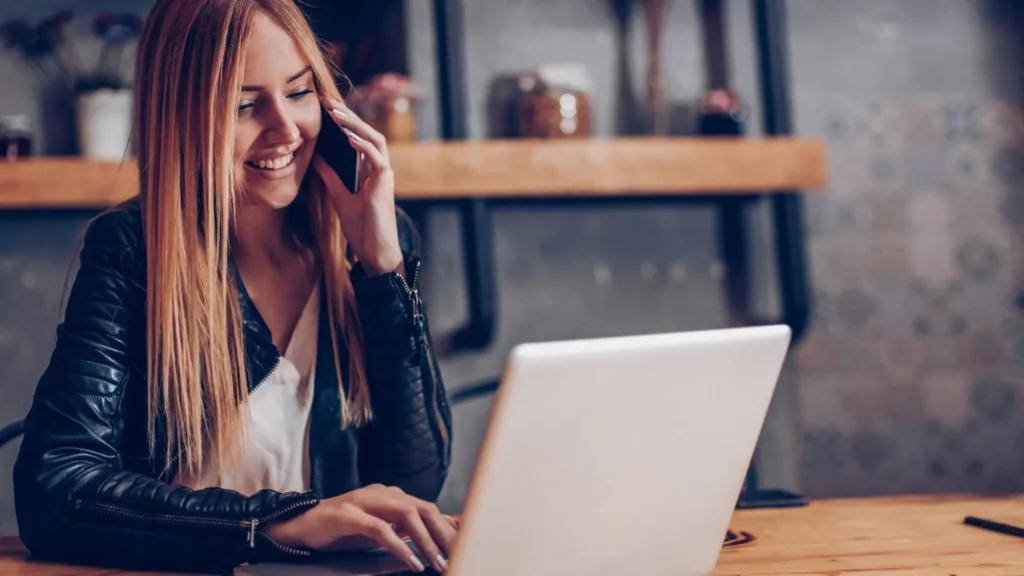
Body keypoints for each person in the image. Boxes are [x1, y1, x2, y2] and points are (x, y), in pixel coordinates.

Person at [12, 0, 454, 574]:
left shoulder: (370, 245)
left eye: (299, 93)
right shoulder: (132, 249)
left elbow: (413, 483)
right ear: (182, 117)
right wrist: (277, 523)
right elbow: (56, 489)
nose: (286, 129)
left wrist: (382, 265)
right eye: (245, 105)